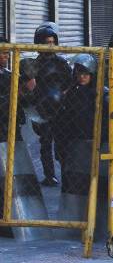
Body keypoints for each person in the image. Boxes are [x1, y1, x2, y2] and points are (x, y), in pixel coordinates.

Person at [31, 22, 71, 186]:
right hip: (43, 109)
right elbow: (30, 87)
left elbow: (71, 81)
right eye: (46, 42)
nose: (50, 45)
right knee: (45, 143)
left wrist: (64, 93)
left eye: (52, 42)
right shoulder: (35, 65)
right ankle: (50, 175)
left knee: (62, 144)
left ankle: (67, 174)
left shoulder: (61, 63)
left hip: (60, 109)